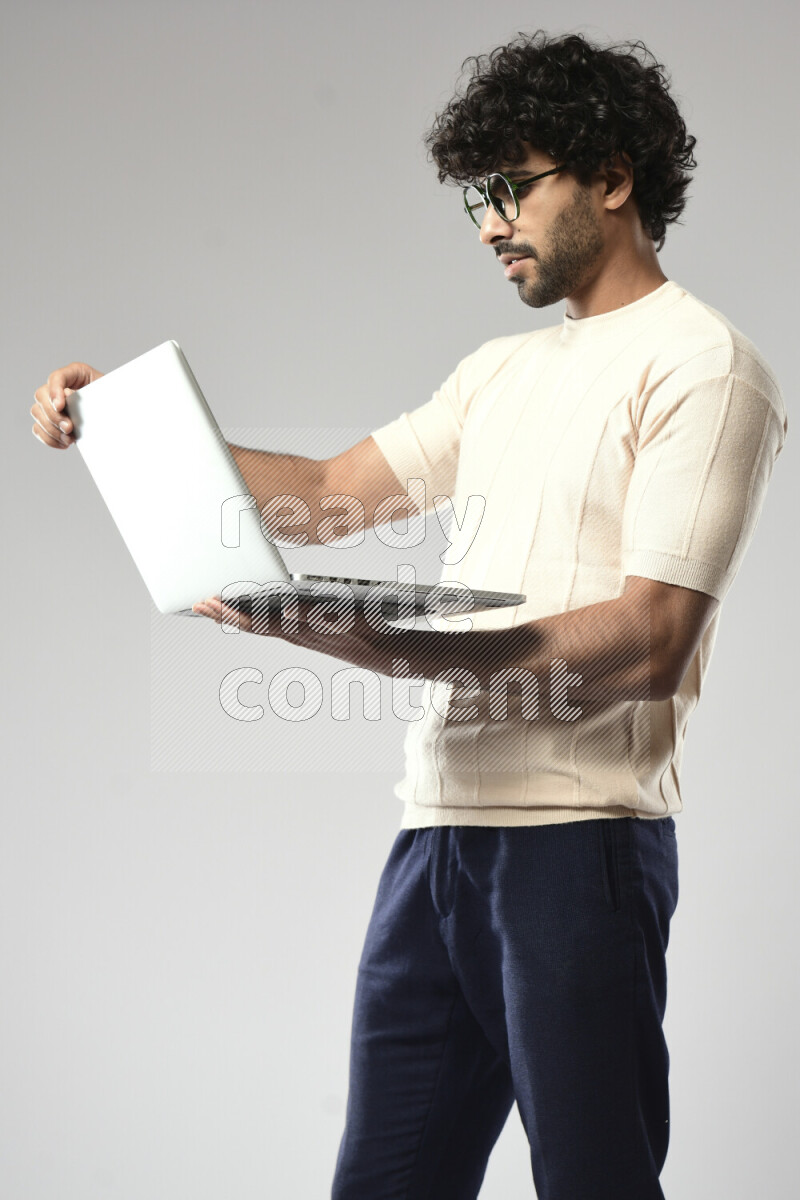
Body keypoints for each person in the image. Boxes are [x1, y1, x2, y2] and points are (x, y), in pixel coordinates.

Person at [31, 29, 788, 1200]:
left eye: (511, 187)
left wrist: (389, 645)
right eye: (472, 198)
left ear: (611, 178)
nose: (488, 221)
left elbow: (648, 641)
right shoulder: (497, 372)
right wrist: (125, 428)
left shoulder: (702, 365)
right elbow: (331, 498)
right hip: (435, 843)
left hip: (577, 848)